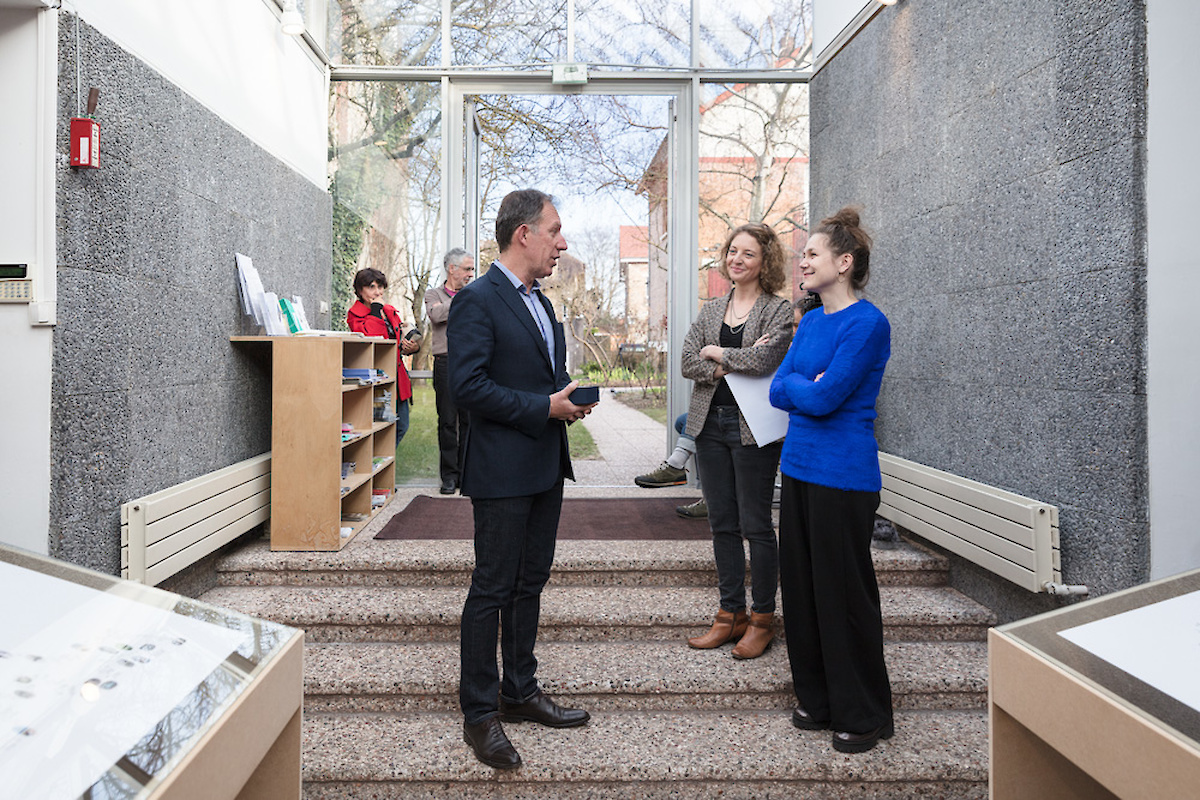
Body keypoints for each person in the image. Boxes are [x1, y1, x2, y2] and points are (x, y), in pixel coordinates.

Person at [448, 189, 597, 770]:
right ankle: (480, 713)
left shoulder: (544, 303)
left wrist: (567, 397)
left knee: (530, 583)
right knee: (492, 587)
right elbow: (469, 388)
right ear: (523, 235)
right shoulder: (476, 300)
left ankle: (520, 690)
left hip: (543, 469)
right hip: (502, 471)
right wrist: (544, 408)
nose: (562, 244)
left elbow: (541, 377)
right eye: (555, 231)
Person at [769, 207, 893, 754]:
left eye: (812, 253)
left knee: (843, 596)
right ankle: (818, 700)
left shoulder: (868, 323)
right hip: (797, 468)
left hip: (843, 478)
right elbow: (779, 389)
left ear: (844, 263)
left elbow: (824, 396)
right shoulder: (813, 319)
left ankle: (863, 713)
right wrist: (803, 382)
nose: (803, 261)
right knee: (800, 591)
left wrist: (804, 385)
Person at [680, 222, 793, 660]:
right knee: (721, 525)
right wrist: (728, 362)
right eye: (732, 251)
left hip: (753, 431)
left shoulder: (777, 310)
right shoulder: (712, 309)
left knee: (756, 526)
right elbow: (689, 360)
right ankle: (730, 616)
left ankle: (763, 619)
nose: (736, 259)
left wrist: (718, 352)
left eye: (747, 253)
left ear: (764, 262)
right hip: (710, 426)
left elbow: (768, 357)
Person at [346, 268, 421, 444]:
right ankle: (378, 467)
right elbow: (371, 340)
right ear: (359, 290)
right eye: (371, 287)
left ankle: (383, 466)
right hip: (375, 378)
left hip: (397, 376)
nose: (377, 292)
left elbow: (394, 343)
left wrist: (411, 348)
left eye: (380, 287)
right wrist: (375, 310)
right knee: (379, 428)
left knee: (401, 425)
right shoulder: (354, 314)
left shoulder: (389, 311)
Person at [425, 248, 476, 494]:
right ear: (451, 269)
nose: (471, 274)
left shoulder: (473, 294)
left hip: (469, 363)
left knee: (469, 421)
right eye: (467, 269)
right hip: (445, 363)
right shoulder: (432, 294)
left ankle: (467, 474)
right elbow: (436, 314)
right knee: (447, 421)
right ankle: (449, 477)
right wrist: (463, 300)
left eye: (472, 269)